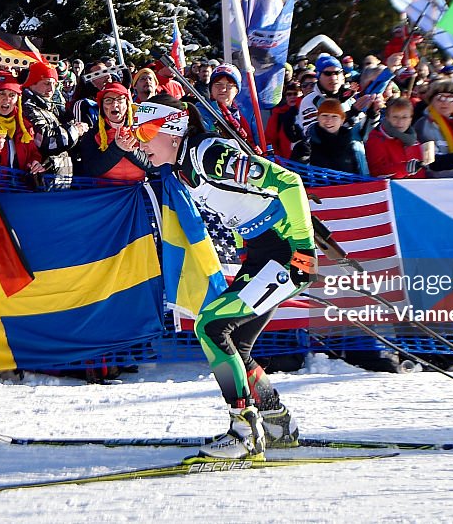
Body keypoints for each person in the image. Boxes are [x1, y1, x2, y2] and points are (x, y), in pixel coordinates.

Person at [132, 94, 316, 460]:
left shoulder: (208, 156)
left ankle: (243, 431)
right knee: (235, 346)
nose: (141, 141)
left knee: (212, 327)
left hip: (283, 254)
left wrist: (303, 250)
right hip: (263, 253)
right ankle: (277, 422)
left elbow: (289, 182)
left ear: (172, 130)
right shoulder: (183, 163)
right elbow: (242, 198)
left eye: (146, 131)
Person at [20, 59, 89, 183]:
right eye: (46, 83)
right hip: (43, 181)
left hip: (55, 177)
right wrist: (75, 130)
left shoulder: (47, 105)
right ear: (32, 83)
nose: (51, 89)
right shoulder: (28, 107)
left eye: (54, 84)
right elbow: (46, 140)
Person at [75, 82, 155, 181]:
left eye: (120, 100)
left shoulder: (142, 129)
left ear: (127, 105)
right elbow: (91, 169)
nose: (114, 104)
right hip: (108, 192)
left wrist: (131, 151)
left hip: (138, 190)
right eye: (108, 101)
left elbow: (153, 165)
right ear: (102, 107)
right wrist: (117, 148)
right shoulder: (93, 134)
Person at [291, 98, 370, 175]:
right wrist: (301, 164)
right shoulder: (305, 146)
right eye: (324, 115)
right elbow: (293, 178)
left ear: (342, 119)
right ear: (318, 118)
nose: (329, 120)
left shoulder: (352, 145)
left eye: (334, 116)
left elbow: (363, 174)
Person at [197, 63, 260, 153]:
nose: (222, 89)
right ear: (211, 88)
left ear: (236, 90)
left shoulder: (245, 114)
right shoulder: (201, 111)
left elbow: (257, 141)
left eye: (229, 85)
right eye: (218, 84)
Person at [365, 97, 427, 179]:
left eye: (404, 117)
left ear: (410, 119)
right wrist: (404, 168)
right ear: (387, 117)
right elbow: (376, 172)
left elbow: (421, 176)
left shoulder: (414, 142)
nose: (400, 122)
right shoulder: (377, 139)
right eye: (395, 117)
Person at [265, 81, 302, 159]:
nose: (292, 97)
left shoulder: (306, 111)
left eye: (295, 94)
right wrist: (279, 160)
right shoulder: (278, 114)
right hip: (287, 163)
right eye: (289, 94)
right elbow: (270, 139)